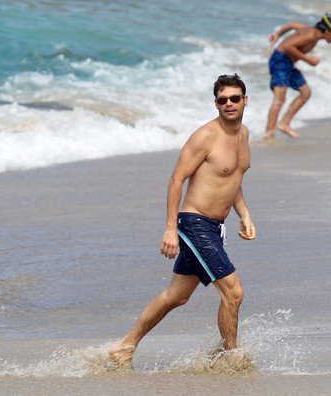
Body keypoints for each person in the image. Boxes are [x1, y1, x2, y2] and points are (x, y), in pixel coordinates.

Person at [109, 74, 257, 369]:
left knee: (176, 296)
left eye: (234, 98)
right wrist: (170, 229)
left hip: (215, 228)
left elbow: (232, 179)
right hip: (194, 223)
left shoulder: (244, 135)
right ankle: (232, 360)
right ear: (215, 103)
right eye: (222, 99)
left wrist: (244, 213)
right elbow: (177, 179)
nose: (229, 104)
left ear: (245, 100)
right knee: (234, 292)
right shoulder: (205, 136)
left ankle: (124, 347)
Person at [262, 12, 331, 141]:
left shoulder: (310, 31)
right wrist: (307, 59)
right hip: (279, 61)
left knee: (305, 92)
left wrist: (278, 34)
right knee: (279, 99)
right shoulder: (310, 35)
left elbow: (291, 24)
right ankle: (268, 135)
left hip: (287, 63)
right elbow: (287, 46)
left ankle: (284, 123)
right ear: (329, 31)